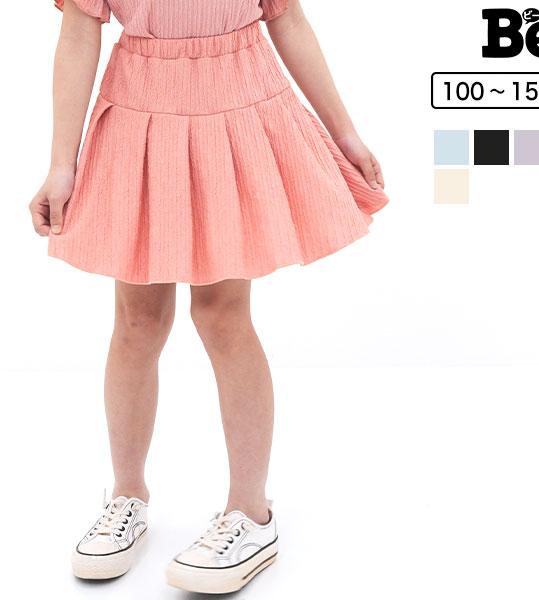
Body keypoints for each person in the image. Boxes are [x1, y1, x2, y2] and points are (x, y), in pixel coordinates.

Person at [30, 0, 388, 593]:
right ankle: (126, 497)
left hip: (238, 104)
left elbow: (288, 18)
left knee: (222, 316)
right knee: (137, 321)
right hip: (139, 111)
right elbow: (77, 33)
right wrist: (60, 163)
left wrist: (344, 132)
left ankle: (250, 513)